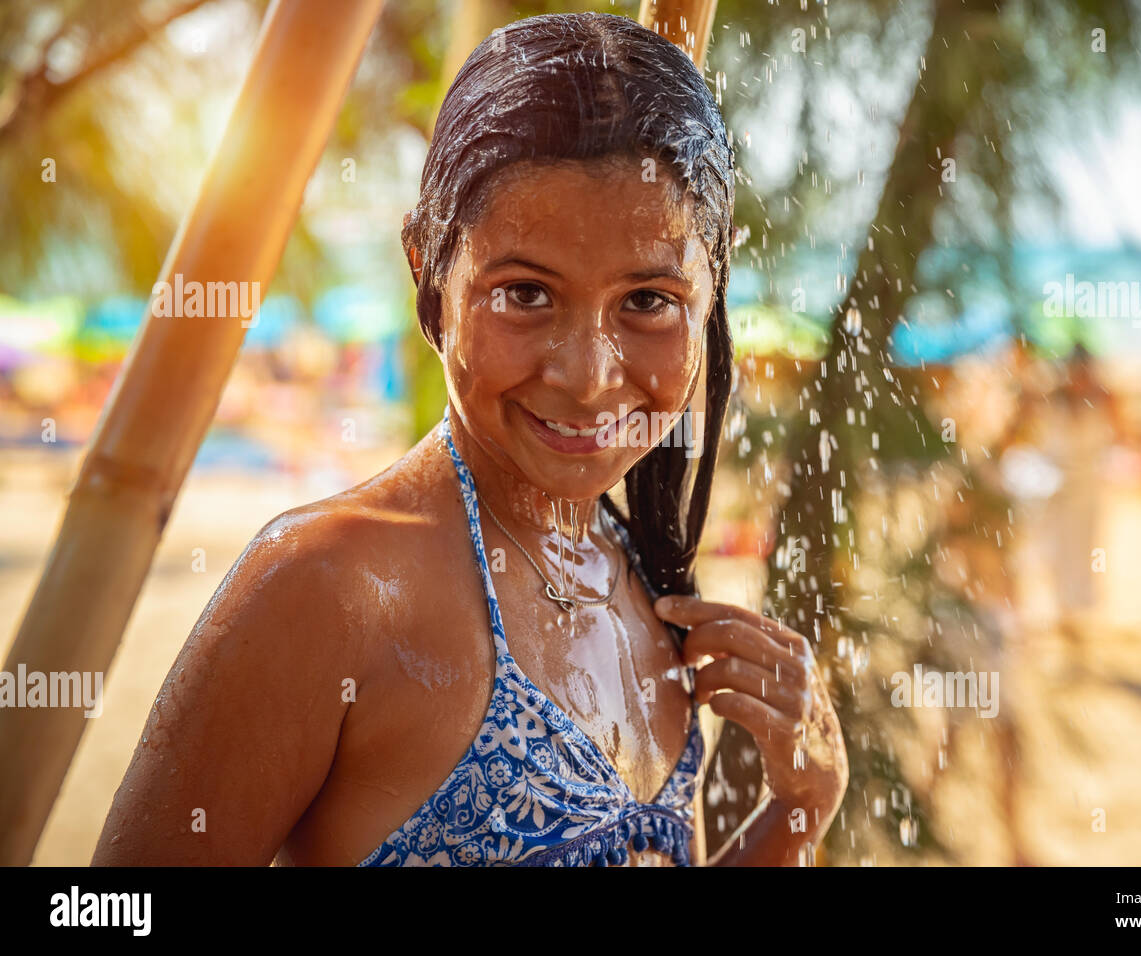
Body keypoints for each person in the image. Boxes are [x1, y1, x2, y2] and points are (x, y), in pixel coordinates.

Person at [92, 12, 847, 867]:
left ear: (713, 294)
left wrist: (800, 808)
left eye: (647, 301)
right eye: (525, 294)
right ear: (426, 269)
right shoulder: (330, 589)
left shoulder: (641, 580)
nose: (589, 375)